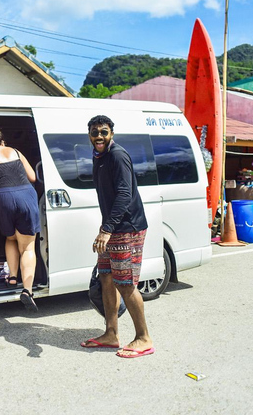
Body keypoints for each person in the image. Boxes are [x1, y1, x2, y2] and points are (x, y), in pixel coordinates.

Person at [80, 115, 154, 359]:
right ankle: (111, 333)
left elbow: (124, 193)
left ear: (112, 133)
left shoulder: (117, 155)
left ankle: (143, 338)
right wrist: (107, 228)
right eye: (94, 132)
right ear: (89, 134)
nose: (98, 136)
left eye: (103, 132)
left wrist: (107, 229)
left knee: (125, 282)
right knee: (106, 277)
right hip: (112, 227)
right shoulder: (99, 155)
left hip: (126, 228)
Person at [0, 123, 40, 311]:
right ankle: (27, 290)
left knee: (10, 238)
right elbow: (33, 177)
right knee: (27, 247)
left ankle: (12, 277)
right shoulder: (16, 152)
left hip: (2, 198)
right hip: (26, 195)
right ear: (3, 141)